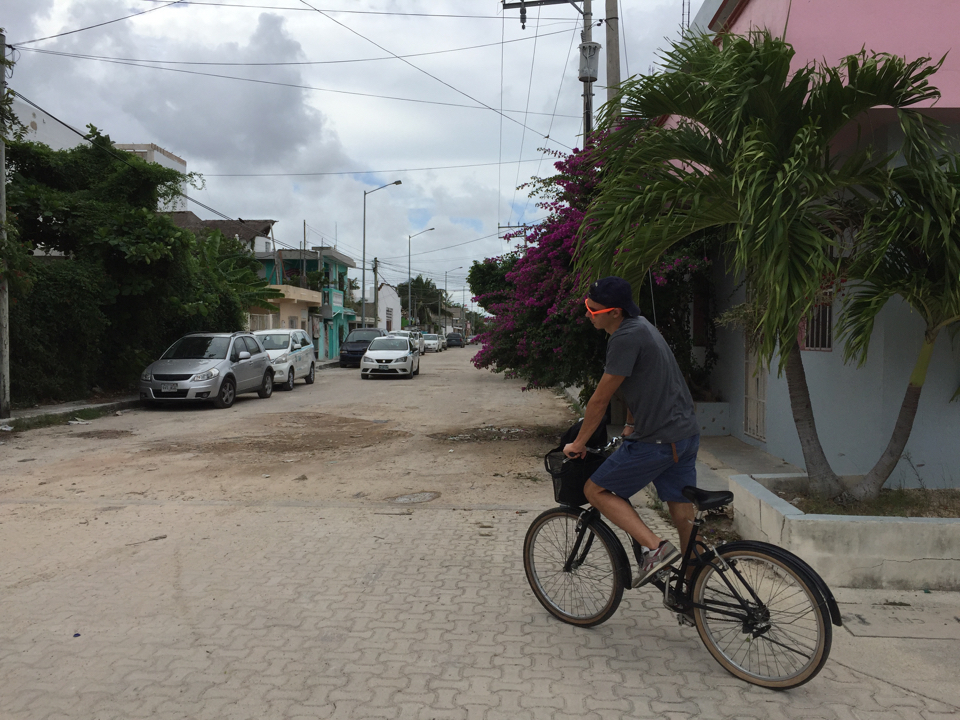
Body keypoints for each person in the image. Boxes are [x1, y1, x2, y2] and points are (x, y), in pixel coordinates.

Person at [563, 276, 701, 586]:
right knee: (683, 518)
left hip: (659, 440)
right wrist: (630, 423)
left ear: (615, 312)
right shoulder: (642, 327)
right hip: (683, 435)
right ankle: (695, 594)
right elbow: (638, 383)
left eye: (593, 309)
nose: (587, 313)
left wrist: (579, 442)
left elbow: (600, 399)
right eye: (587, 305)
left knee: (594, 490)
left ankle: (656, 549)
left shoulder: (625, 337)